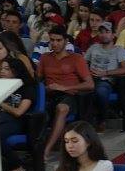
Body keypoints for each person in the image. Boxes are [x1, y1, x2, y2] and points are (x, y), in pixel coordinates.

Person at [34, 27, 95, 157]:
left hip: (70, 95)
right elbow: (37, 81)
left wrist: (64, 87)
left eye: (58, 40)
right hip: (49, 95)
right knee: (38, 112)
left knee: (62, 108)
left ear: (66, 41)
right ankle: (35, 147)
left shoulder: (76, 58)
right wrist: (45, 88)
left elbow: (90, 84)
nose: (55, 43)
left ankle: (46, 150)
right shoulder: (45, 57)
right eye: (52, 40)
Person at [83, 21, 125, 131]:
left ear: (113, 35)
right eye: (101, 32)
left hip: (106, 80)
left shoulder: (119, 50)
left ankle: (102, 119)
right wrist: (87, 72)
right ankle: (85, 122)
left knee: (101, 91)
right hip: (90, 78)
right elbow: (83, 63)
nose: (103, 35)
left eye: (107, 32)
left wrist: (105, 73)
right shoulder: (93, 47)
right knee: (83, 91)